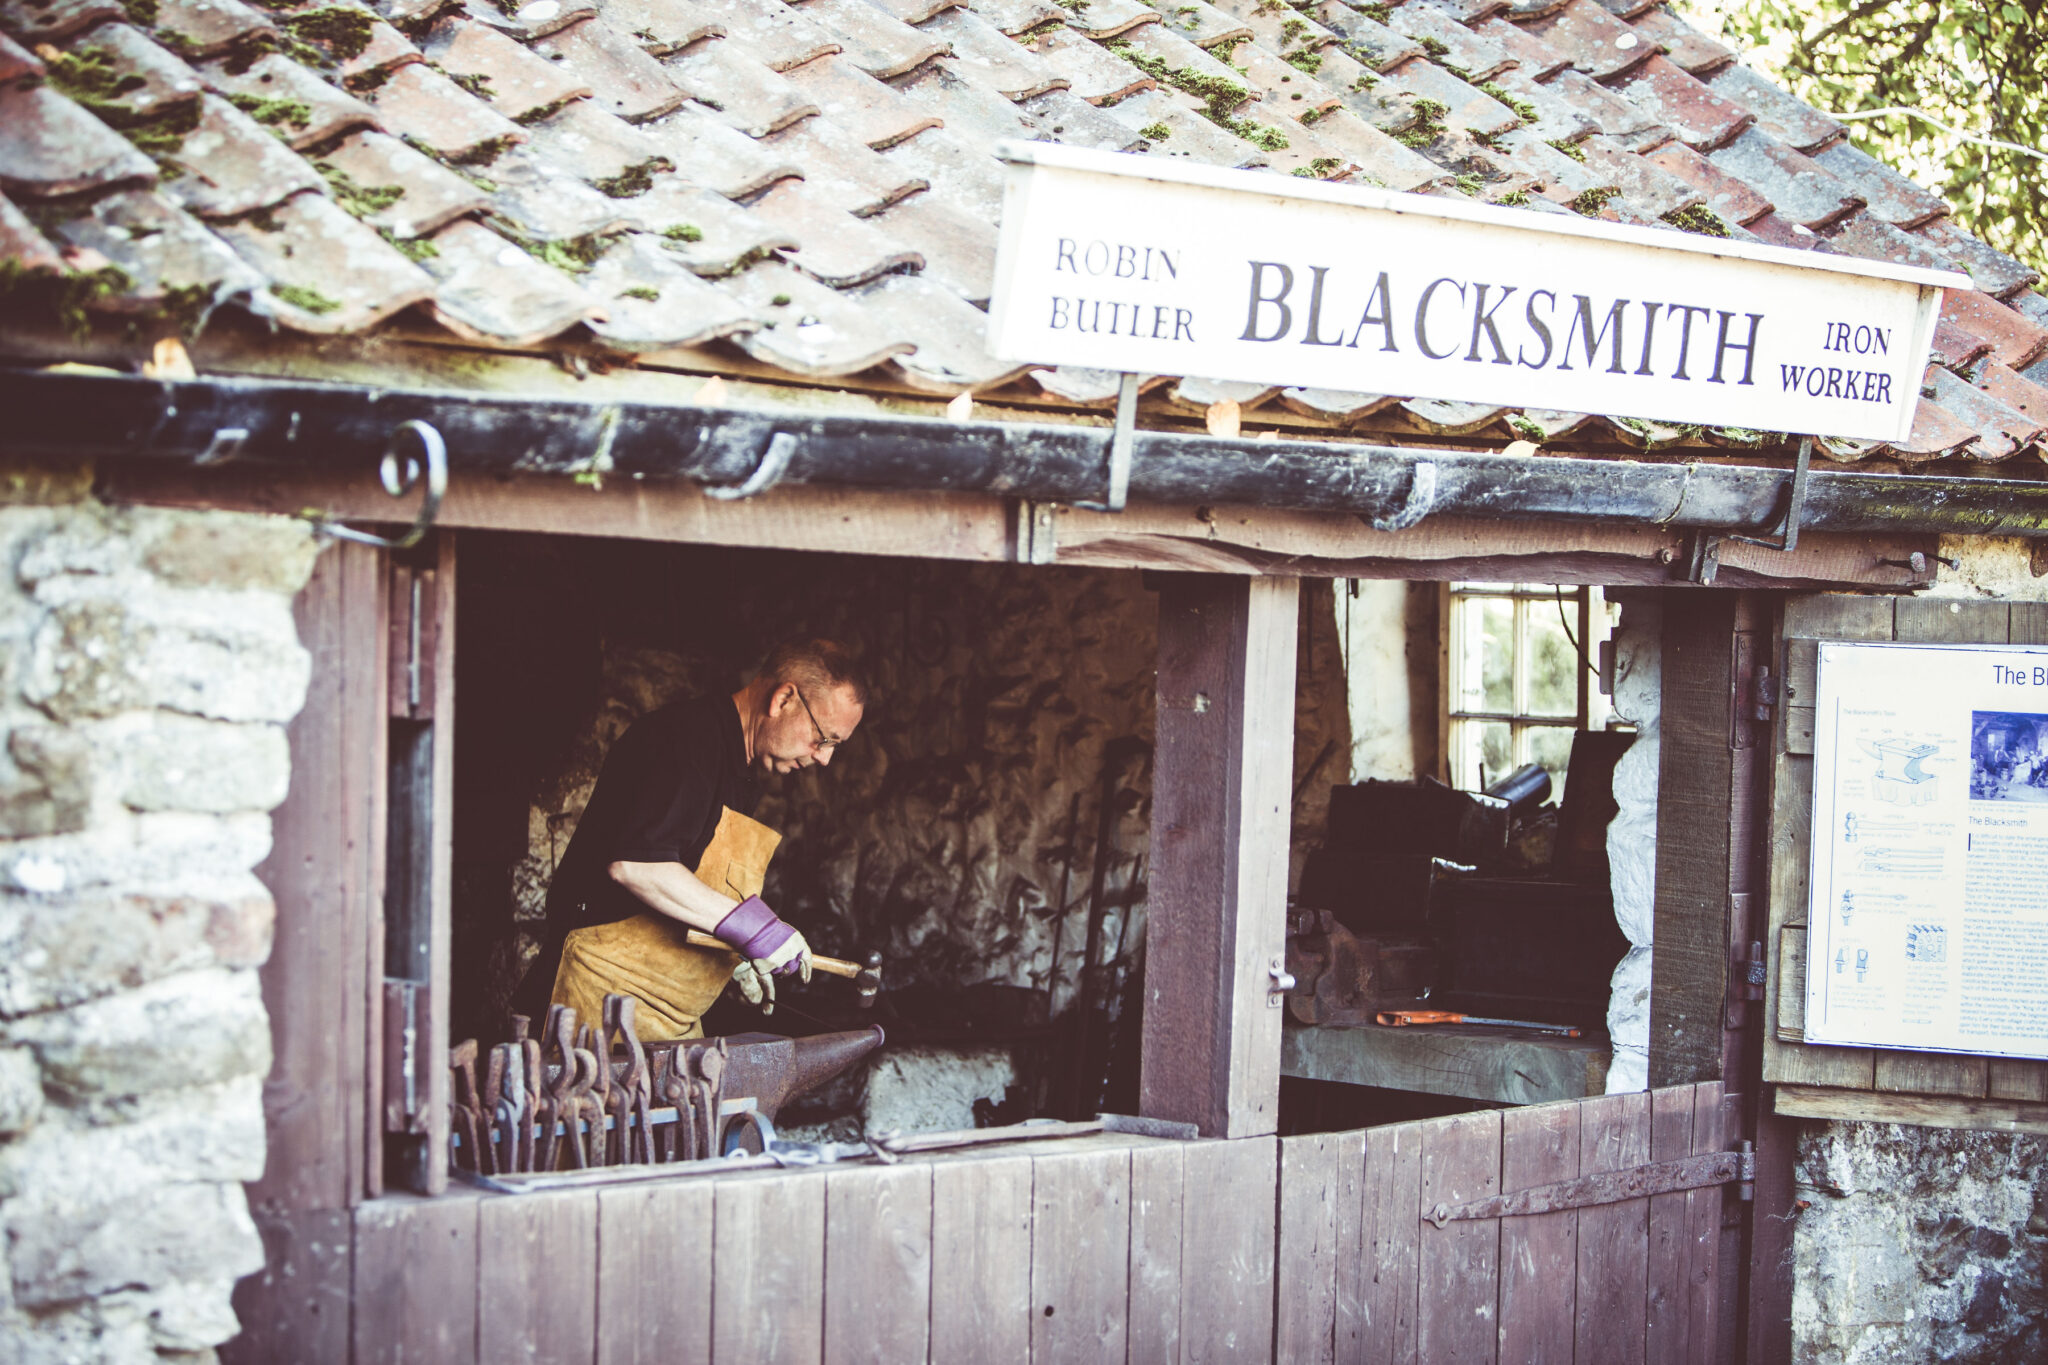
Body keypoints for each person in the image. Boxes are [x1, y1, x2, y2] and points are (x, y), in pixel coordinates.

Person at [511, 638, 867, 1039]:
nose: (824, 758)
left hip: (663, 1012)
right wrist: (755, 929)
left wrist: (734, 955)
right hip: (599, 997)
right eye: (824, 738)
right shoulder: (687, 741)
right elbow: (637, 866)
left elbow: (691, 890)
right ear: (784, 698)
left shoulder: (741, 770)